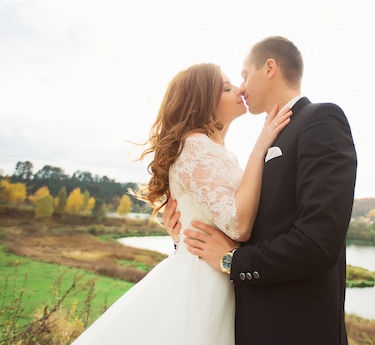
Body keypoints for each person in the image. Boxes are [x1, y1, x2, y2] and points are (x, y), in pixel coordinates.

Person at [71, 63, 291, 345]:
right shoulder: (196, 147)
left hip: (216, 279)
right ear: (203, 103)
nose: (240, 89)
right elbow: (238, 226)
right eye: (226, 88)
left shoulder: (215, 151)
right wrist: (261, 146)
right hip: (199, 284)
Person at [163, 36, 358, 345]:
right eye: (233, 82)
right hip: (247, 324)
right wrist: (184, 235)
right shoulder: (269, 137)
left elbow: (319, 241)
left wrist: (232, 262)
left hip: (297, 330)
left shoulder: (320, 120)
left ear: (270, 68)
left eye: (243, 75)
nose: (241, 87)